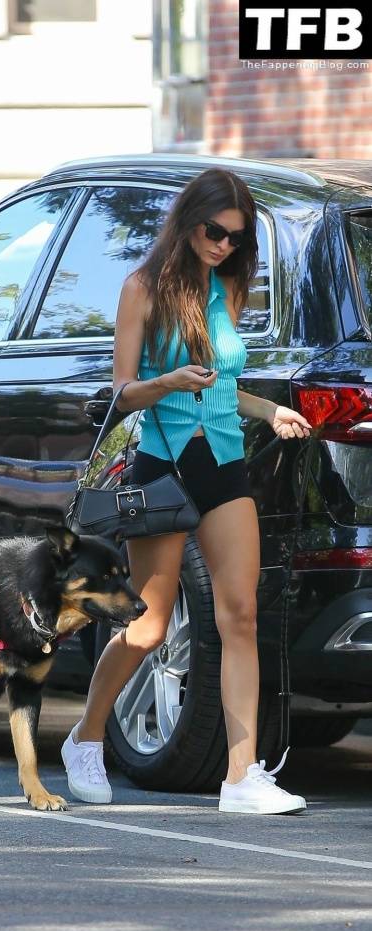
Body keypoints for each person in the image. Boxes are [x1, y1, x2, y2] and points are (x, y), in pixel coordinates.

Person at [61, 167, 312, 815]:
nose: (223, 245)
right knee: (145, 628)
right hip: (162, 465)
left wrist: (267, 413)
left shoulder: (228, 287)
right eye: (213, 231)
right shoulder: (140, 288)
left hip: (224, 465)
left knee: (240, 617)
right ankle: (85, 737)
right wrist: (166, 381)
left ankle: (239, 777)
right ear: (186, 222)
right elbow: (120, 392)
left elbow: (225, 380)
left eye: (235, 237)